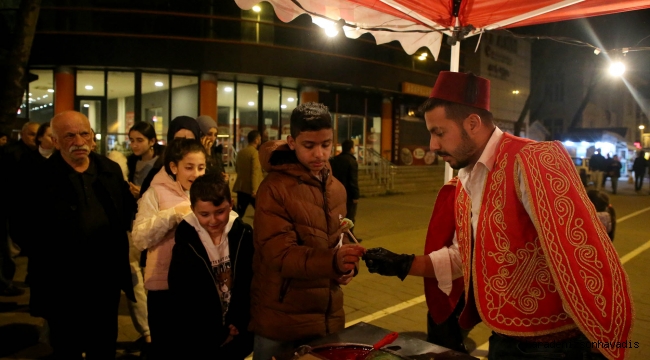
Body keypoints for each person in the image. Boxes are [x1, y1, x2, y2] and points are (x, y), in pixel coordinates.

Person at [363, 72, 633, 360]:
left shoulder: (533, 159)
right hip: (503, 337)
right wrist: (404, 264)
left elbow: (583, 251)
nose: (433, 145)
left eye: (439, 132)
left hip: (556, 346)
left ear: (472, 123)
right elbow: (467, 257)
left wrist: (605, 340)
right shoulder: (467, 180)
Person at [250, 102, 366, 360]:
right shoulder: (274, 188)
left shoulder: (336, 188)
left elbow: (342, 237)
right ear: (292, 142)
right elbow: (279, 254)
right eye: (309, 146)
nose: (320, 154)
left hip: (326, 320)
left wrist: (348, 265)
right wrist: (333, 262)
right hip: (281, 323)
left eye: (326, 145)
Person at [21, 111, 136, 359]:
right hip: (62, 281)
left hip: (105, 278)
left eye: (84, 133)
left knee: (104, 343)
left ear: (93, 137)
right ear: (54, 140)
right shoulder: (39, 178)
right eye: (70, 135)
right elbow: (23, 227)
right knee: (66, 345)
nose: (79, 141)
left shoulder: (110, 170)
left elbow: (127, 213)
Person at [132, 138, 207, 360]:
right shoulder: (155, 193)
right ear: (174, 167)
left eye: (201, 167)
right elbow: (139, 238)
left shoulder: (206, 192)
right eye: (189, 167)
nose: (196, 174)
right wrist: (173, 214)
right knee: (166, 347)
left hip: (199, 284)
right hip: (164, 284)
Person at [168, 172, 254, 359]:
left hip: (238, 329)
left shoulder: (243, 235)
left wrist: (238, 322)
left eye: (220, 212)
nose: (213, 220)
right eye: (204, 214)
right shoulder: (186, 243)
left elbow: (249, 282)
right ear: (193, 209)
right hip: (201, 336)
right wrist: (217, 333)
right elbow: (182, 295)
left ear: (230, 204)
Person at [0, 121, 39, 297]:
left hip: (24, 208)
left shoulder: (35, 154)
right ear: (23, 134)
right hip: (11, 207)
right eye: (31, 134)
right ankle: (4, 282)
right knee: (8, 249)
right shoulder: (11, 153)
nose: (35, 138)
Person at [330, 139, 361, 240]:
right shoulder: (352, 161)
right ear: (351, 148)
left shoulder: (334, 160)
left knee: (337, 215)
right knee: (350, 216)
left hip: (335, 191)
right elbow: (353, 179)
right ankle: (349, 236)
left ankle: (338, 235)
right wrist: (356, 195)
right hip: (348, 193)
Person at [127, 121, 165, 199]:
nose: (134, 145)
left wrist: (143, 192)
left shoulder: (162, 163)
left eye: (140, 140)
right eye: (132, 140)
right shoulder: (131, 162)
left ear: (152, 141)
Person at [232, 130, 262, 217]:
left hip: (241, 187)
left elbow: (237, 168)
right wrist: (254, 189)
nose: (260, 140)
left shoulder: (241, 152)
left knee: (239, 213)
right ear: (256, 140)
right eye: (259, 138)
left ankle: (234, 228)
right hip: (251, 189)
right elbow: (255, 172)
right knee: (262, 212)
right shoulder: (255, 153)